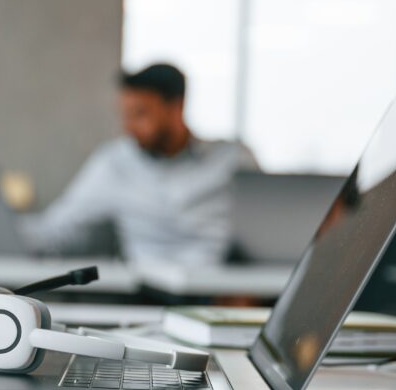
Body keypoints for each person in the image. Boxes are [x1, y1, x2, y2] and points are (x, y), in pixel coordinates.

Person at [21, 63, 258, 265]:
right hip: (148, 294)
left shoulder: (233, 160)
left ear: (177, 107)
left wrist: (247, 282)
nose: (129, 126)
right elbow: (57, 227)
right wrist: (2, 229)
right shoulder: (114, 163)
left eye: (140, 114)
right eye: (126, 115)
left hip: (221, 291)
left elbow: (266, 236)